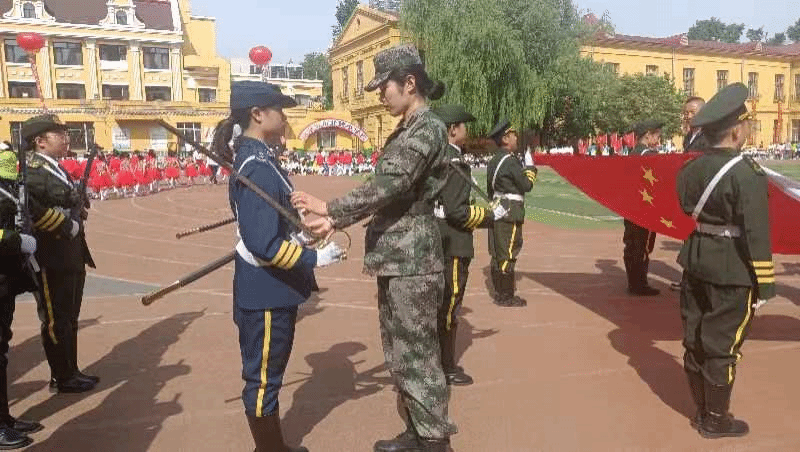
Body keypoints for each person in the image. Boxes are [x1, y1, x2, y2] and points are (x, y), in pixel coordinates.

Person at [291, 43, 455, 452]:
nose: (381, 94)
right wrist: (334, 219)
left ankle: (434, 440)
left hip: (413, 260)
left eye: (385, 87)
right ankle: (417, 430)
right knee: (400, 352)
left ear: (410, 83)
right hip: (398, 258)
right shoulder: (408, 128)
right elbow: (388, 189)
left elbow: (390, 184)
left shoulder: (427, 128)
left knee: (417, 353)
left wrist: (332, 210)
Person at [214, 81, 345, 452]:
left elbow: (272, 228)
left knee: (268, 373)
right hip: (266, 291)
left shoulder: (260, 160)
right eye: (279, 109)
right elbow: (262, 243)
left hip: (269, 287)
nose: (285, 116)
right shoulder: (256, 167)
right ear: (257, 114)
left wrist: (301, 237)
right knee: (263, 380)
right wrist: (314, 258)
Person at [677, 82, 775, 438]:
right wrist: (765, 284)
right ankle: (716, 420)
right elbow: (756, 233)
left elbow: (686, 207)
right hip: (733, 269)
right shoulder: (747, 174)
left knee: (695, 340)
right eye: (746, 125)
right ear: (735, 131)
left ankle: (702, 409)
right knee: (722, 348)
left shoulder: (690, 170)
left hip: (696, 260)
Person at [431, 105, 508, 386]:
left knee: (441, 305)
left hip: (440, 238)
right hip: (453, 243)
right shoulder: (453, 162)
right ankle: (445, 367)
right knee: (449, 306)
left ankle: (439, 363)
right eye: (464, 126)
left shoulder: (440, 158)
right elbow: (456, 212)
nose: (467, 130)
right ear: (453, 130)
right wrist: (490, 216)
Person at [22, 114, 98, 393]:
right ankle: (62, 376)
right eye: (59, 135)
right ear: (40, 142)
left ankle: (70, 370)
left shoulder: (55, 167)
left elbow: (65, 200)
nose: (66, 139)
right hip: (51, 253)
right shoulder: (32, 171)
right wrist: (66, 226)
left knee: (69, 317)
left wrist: (78, 208)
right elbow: (32, 209)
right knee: (56, 319)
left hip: (71, 252)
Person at [0, 149, 43, 448]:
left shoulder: (9, 187)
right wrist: (16, 240)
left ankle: (4, 418)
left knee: (1, 350)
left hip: (5, 277)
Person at [486, 118, 536, 307]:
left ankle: (499, 291)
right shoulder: (510, 161)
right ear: (505, 138)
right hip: (511, 210)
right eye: (513, 134)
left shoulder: (494, 160)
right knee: (509, 250)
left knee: (496, 251)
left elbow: (490, 190)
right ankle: (506, 295)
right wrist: (530, 168)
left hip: (497, 208)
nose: (516, 137)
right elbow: (526, 185)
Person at [622, 119, 663, 296]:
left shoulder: (632, 153)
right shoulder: (649, 155)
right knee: (643, 246)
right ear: (648, 135)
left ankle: (633, 281)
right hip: (645, 208)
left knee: (631, 243)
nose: (658, 139)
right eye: (657, 135)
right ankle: (639, 283)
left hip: (631, 207)